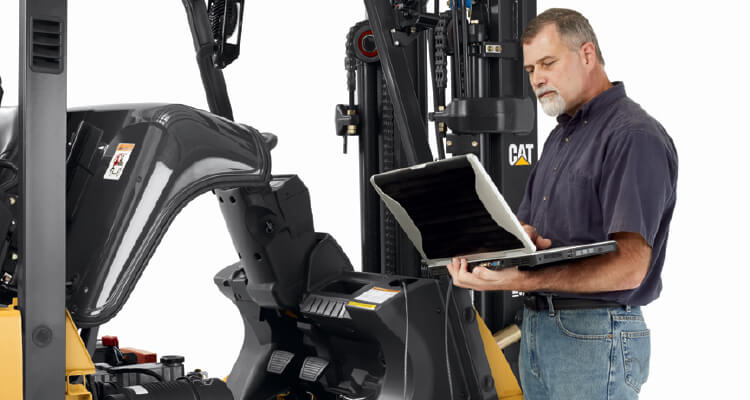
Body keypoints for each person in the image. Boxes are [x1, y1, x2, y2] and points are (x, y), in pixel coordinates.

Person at [445, 8, 678, 400]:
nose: (537, 79)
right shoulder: (561, 138)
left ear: (587, 55)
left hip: (594, 334)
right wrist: (522, 242)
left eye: (548, 63)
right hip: (541, 330)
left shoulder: (632, 135)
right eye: (531, 69)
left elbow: (630, 267)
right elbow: (534, 232)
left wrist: (520, 280)